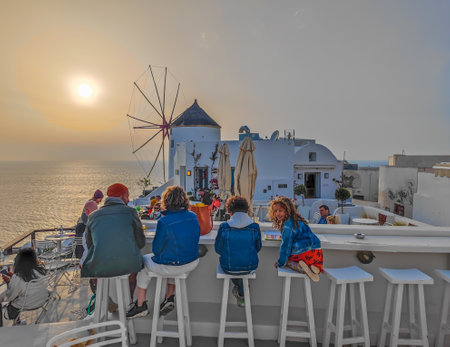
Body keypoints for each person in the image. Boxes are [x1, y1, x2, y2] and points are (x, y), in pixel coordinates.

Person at [127, 185, 200, 319]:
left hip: (173, 265)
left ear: (166, 201)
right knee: (172, 263)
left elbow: (156, 250)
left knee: (143, 263)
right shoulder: (193, 216)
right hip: (191, 263)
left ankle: (140, 304)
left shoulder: (164, 221)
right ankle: (169, 296)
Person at [81, 183, 146, 299]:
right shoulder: (130, 212)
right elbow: (141, 242)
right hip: (126, 263)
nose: (129, 200)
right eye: (127, 196)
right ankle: (129, 301)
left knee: (96, 265)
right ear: (121, 196)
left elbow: (90, 244)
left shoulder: (93, 216)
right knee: (135, 268)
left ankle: (102, 297)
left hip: (101, 264)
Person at [215, 196, 261, 307]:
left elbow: (218, 249)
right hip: (250, 267)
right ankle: (242, 291)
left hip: (229, 267)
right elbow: (258, 247)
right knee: (241, 267)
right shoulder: (255, 227)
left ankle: (241, 291)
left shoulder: (224, 227)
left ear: (230, 212)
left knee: (234, 266)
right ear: (246, 210)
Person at [269, 196, 323, 282]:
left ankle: (301, 267)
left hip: (302, 254)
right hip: (317, 253)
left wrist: (281, 262)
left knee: (287, 261)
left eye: (280, 210)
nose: (277, 213)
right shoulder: (299, 220)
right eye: (275, 211)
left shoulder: (287, 226)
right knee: (313, 260)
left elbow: (286, 246)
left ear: (287, 210)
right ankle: (316, 268)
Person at [1, 248, 49, 325]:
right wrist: (13, 279)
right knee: (19, 295)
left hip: (27, 304)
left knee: (11, 302)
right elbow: (26, 284)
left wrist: (9, 282)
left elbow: (11, 296)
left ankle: (17, 322)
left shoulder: (18, 277)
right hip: (42, 300)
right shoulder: (40, 271)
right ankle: (18, 321)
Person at [75, 189, 103, 258]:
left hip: (82, 226)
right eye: (100, 199)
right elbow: (85, 218)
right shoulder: (91, 204)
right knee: (84, 245)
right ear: (97, 198)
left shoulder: (91, 203)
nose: (101, 201)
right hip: (82, 227)